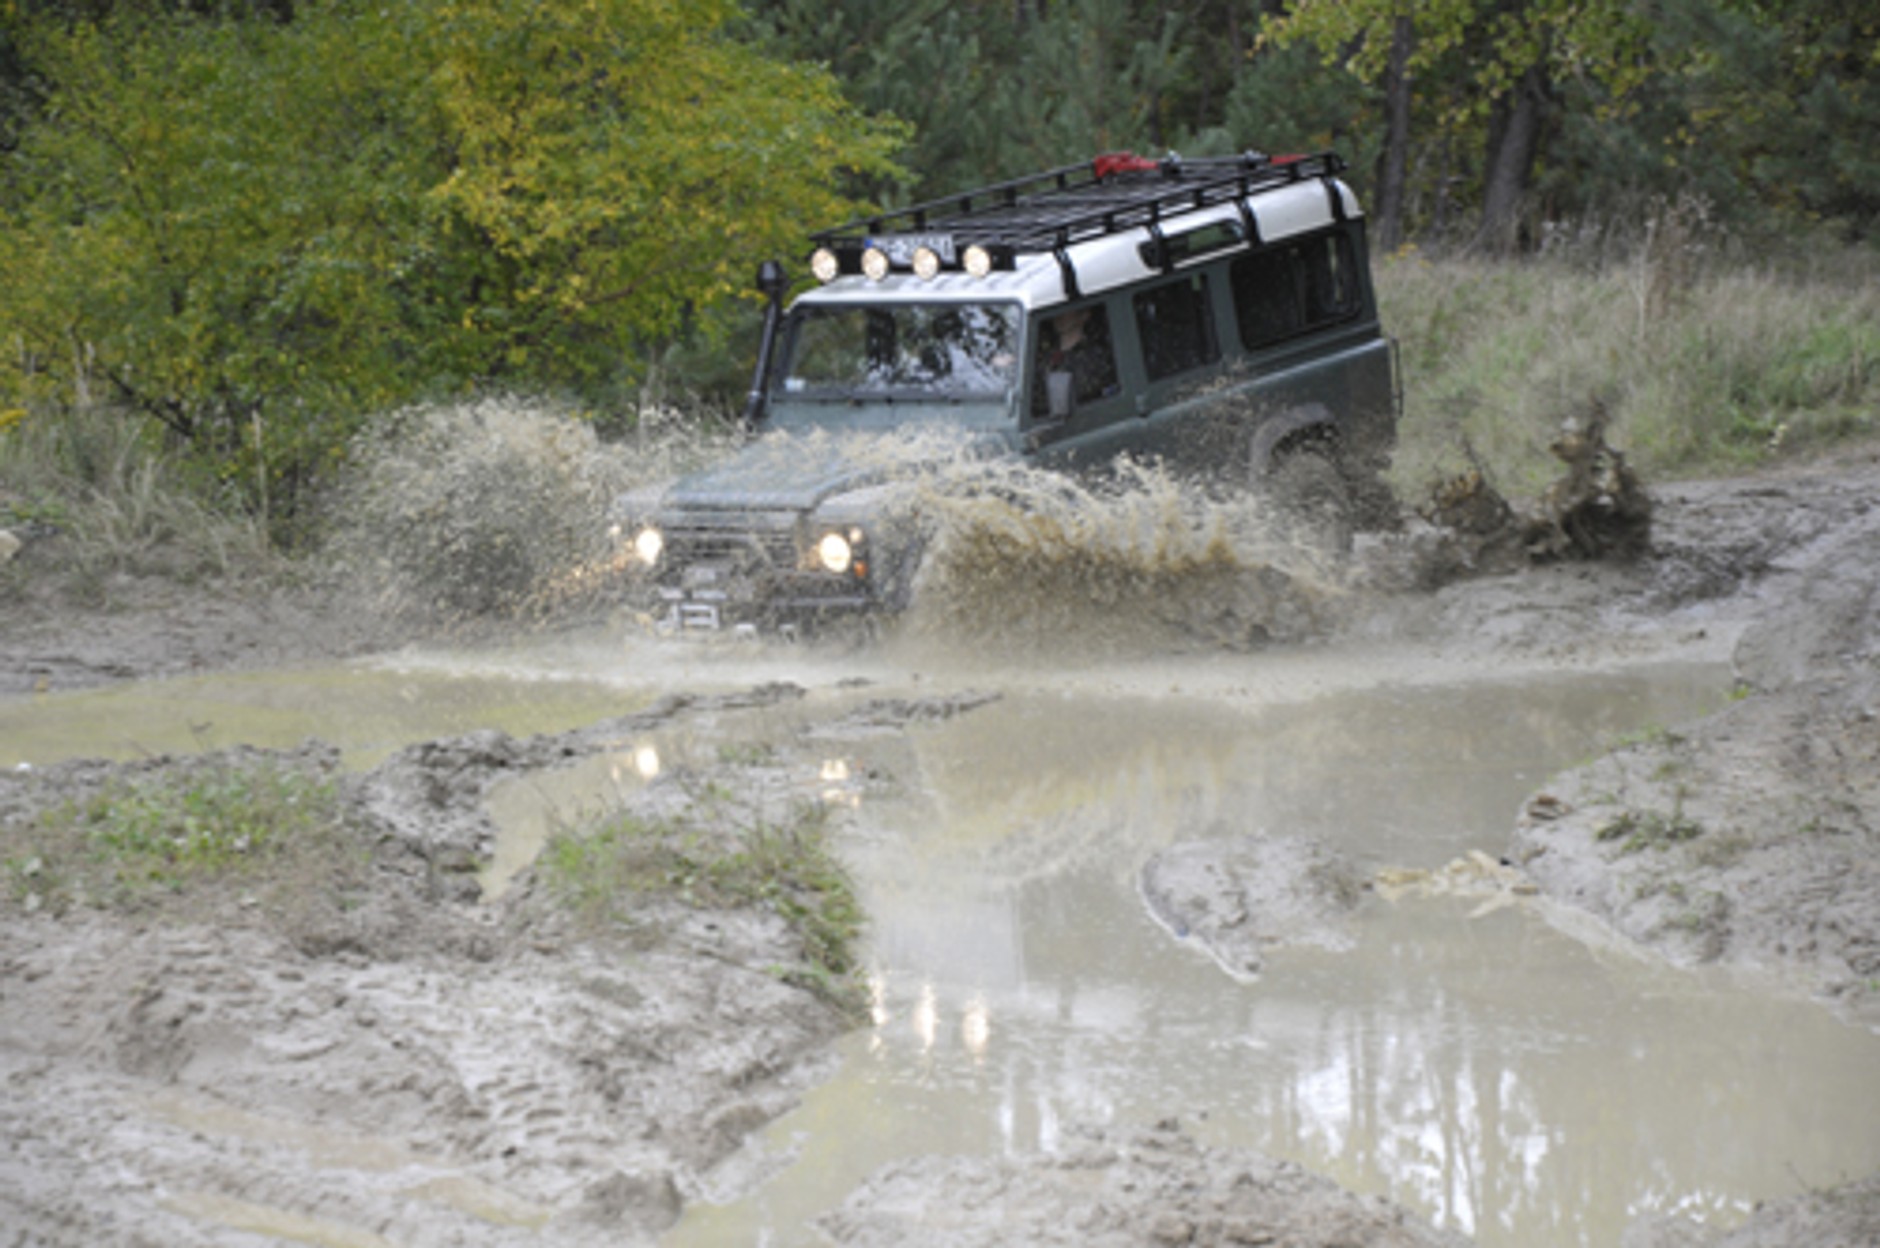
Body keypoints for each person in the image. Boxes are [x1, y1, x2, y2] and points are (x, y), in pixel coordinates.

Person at [1034, 304, 1117, 418]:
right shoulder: (1046, 356)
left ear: (1084, 315)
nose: (1059, 315)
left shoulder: (1093, 358)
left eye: (1066, 310)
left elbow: (1080, 396)